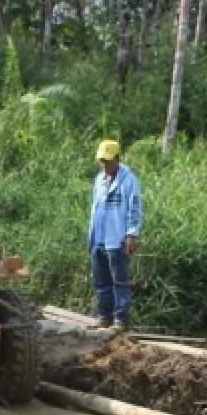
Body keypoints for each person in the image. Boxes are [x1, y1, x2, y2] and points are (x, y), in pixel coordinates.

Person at [88, 139, 143, 330]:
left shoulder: (129, 180)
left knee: (119, 280)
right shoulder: (99, 180)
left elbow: (134, 209)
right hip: (98, 237)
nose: (104, 165)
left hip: (117, 238)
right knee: (101, 280)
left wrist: (131, 234)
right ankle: (104, 316)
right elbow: (95, 209)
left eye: (108, 161)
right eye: (102, 161)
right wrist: (91, 236)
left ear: (118, 159)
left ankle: (120, 319)